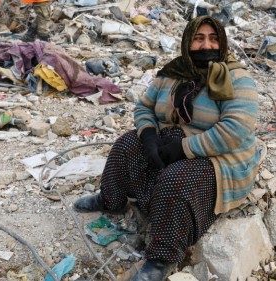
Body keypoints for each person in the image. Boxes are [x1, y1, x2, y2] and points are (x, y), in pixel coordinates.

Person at [73, 15, 260, 280]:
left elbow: (235, 131)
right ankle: (111, 200)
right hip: (169, 141)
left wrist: (183, 149)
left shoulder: (238, 79)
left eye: (213, 38)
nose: (206, 45)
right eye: (198, 39)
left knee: (177, 181)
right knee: (126, 144)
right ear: (187, 42)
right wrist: (148, 135)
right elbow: (144, 107)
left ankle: (162, 258)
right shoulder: (173, 73)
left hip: (217, 157)